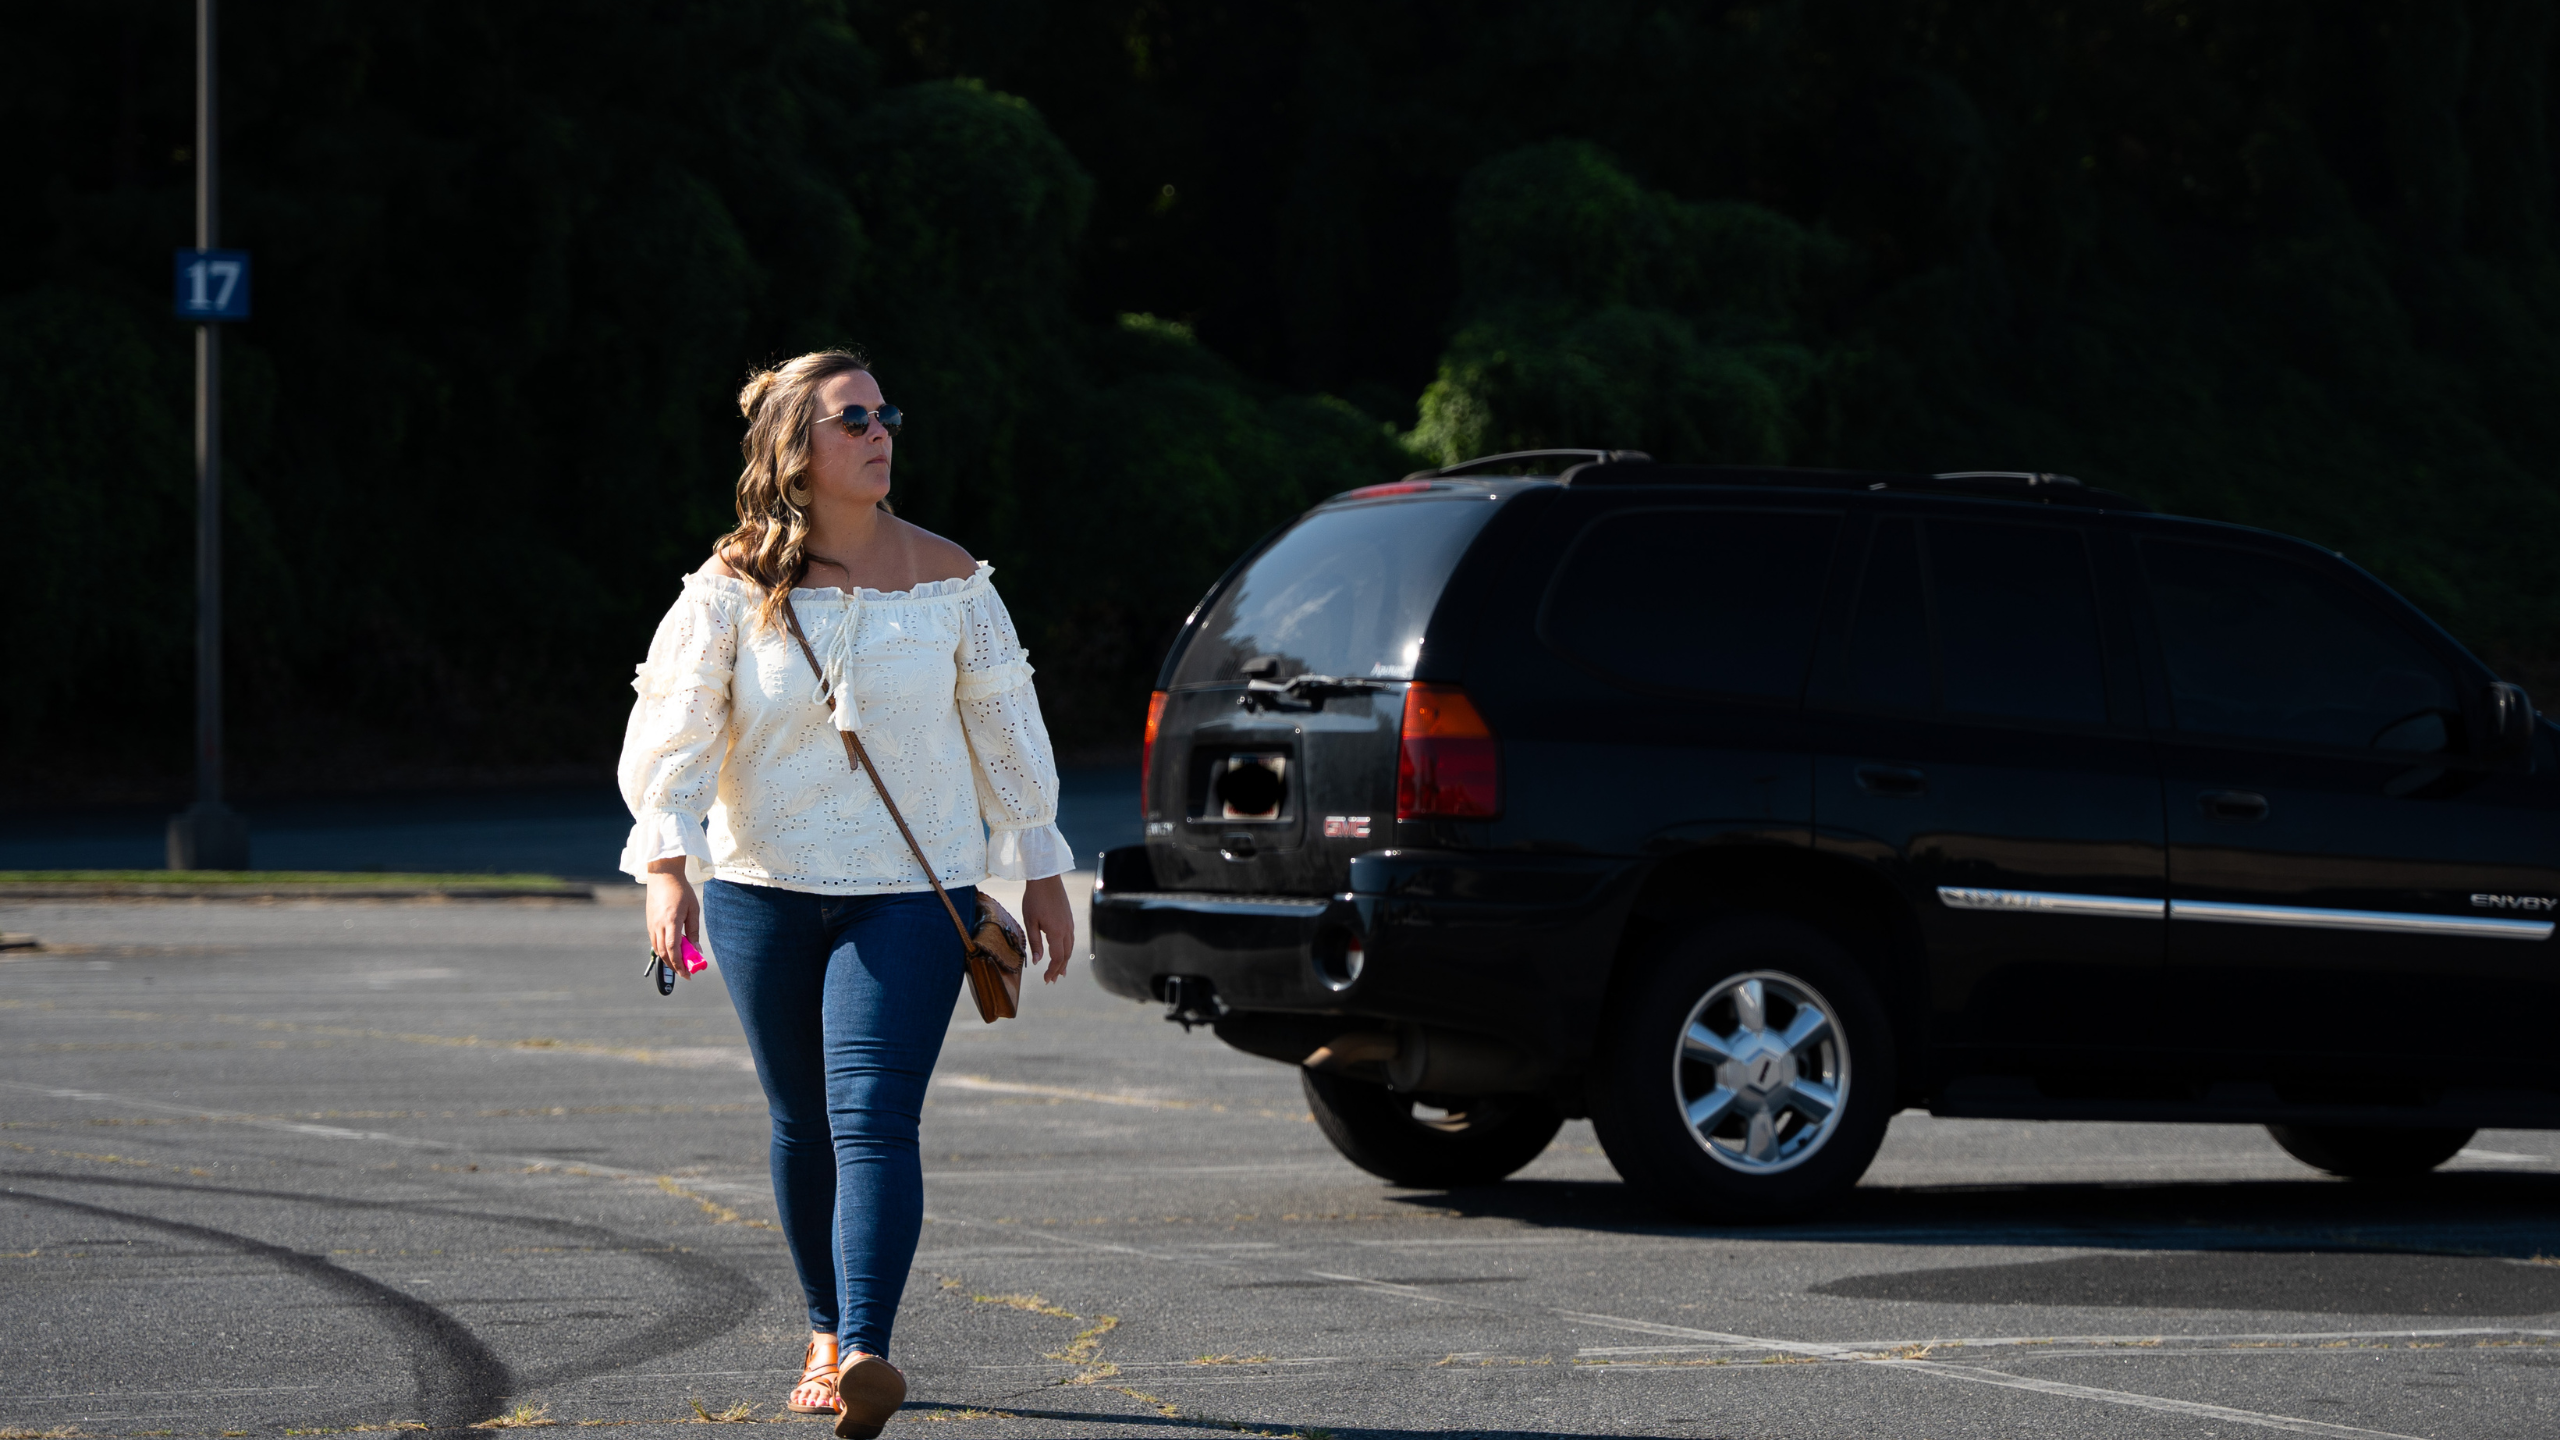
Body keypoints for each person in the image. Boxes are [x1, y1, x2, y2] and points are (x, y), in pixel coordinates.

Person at [616, 349, 1076, 1439]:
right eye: (850, 417)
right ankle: (823, 1328)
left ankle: (866, 1349)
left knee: (872, 1117)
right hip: (762, 890)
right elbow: (675, 736)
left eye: (885, 413)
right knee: (800, 1122)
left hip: (907, 900)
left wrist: (1043, 870)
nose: (878, 432)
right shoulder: (728, 587)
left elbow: (1008, 737)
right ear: (796, 447)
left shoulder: (953, 577)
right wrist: (665, 870)